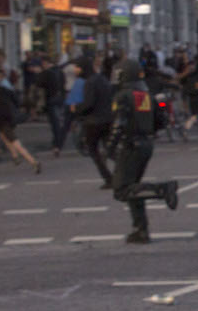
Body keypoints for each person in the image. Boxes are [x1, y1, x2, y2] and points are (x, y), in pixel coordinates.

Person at [106, 58, 179, 243]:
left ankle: (162, 189)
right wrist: (161, 103)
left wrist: (110, 146)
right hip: (146, 144)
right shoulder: (146, 94)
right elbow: (161, 120)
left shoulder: (123, 95)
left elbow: (119, 122)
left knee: (121, 189)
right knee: (134, 188)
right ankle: (141, 229)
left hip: (131, 144)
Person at [0, 66, 41, 173]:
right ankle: (15, 156)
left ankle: (33, 161)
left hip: (1, 120)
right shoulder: (4, 89)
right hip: (9, 118)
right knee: (3, 136)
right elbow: (16, 100)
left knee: (14, 141)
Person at [74, 57, 115, 187]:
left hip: (93, 122)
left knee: (93, 150)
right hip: (108, 118)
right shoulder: (102, 79)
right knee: (110, 149)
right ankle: (125, 173)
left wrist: (77, 109)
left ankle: (108, 178)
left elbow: (88, 104)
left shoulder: (89, 82)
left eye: (77, 67)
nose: (75, 70)